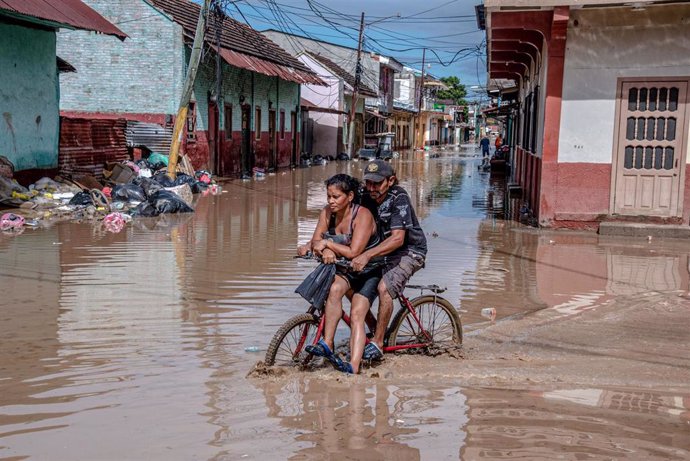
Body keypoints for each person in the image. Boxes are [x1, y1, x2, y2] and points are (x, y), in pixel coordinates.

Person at [297, 174, 380, 374]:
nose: (331, 201)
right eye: (329, 196)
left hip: (369, 270)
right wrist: (321, 248)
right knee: (333, 290)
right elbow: (317, 241)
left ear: (350, 196)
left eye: (336, 197)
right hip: (347, 269)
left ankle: (353, 366)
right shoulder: (327, 213)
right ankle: (327, 342)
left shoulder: (363, 216)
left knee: (357, 314)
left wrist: (327, 245)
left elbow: (354, 252)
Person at [351, 160, 427, 361]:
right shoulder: (365, 194)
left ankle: (377, 342)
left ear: (391, 180)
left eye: (377, 184)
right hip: (381, 252)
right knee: (349, 282)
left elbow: (397, 238)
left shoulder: (398, 197)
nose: (371, 188)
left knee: (384, 288)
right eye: (368, 183)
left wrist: (366, 255)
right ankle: (376, 328)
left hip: (409, 252)